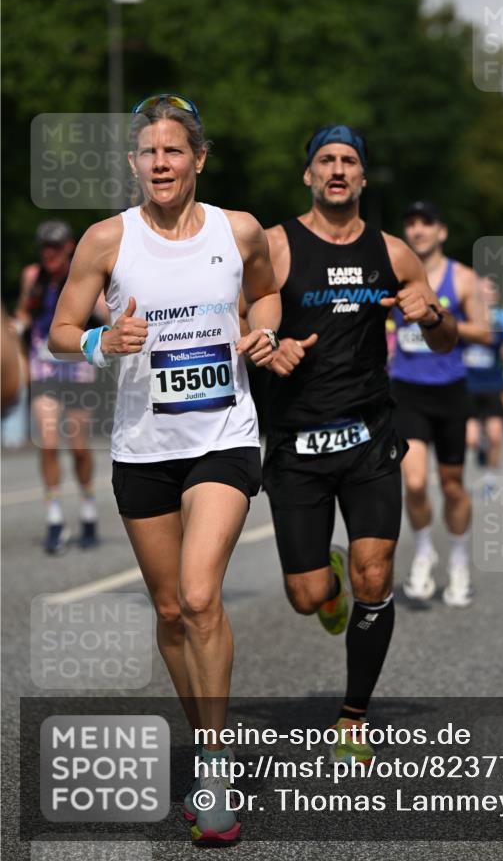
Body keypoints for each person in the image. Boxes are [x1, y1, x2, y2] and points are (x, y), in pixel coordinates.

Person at [48, 94, 280, 844]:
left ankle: (213, 772)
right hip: (143, 446)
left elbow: (268, 292)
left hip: (223, 434)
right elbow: (58, 330)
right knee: (172, 613)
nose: (160, 164)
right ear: (133, 163)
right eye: (148, 153)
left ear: (198, 159)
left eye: (174, 151)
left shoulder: (235, 229)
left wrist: (263, 331)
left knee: (200, 593)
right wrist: (97, 343)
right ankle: (209, 740)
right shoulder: (105, 240)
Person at [262, 126, 456, 763]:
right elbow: (237, 322)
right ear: (308, 176)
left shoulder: (395, 253)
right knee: (306, 596)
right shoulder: (274, 246)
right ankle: (329, 581)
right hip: (296, 441)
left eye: (349, 161)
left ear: (363, 179)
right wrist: (270, 347)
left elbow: (447, 338)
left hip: (370, 437)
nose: (338, 170)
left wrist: (432, 315)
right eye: (326, 161)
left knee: (377, 576)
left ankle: (353, 714)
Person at [388, 201, 489, 607]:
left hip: (449, 389)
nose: (418, 231)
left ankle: (460, 560)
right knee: (413, 482)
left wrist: (437, 318)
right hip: (406, 388)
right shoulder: (393, 276)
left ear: (441, 231)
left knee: (451, 485)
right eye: (411, 223)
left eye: (426, 223)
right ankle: (426, 551)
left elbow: (484, 332)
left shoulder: (463, 278)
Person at [15, 220, 109, 553]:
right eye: (45, 247)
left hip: (76, 367)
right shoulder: (32, 276)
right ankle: (54, 518)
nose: (49, 253)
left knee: (79, 447)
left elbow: (104, 312)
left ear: (68, 247)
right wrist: (15, 327)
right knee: (48, 442)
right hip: (43, 367)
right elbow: (24, 314)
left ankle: (87, 509)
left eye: (55, 246)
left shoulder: (83, 275)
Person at [463, 277, 503, 495]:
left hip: (494, 384)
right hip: (468, 385)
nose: (485, 294)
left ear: (496, 295)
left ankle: (489, 479)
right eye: (482, 290)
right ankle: (480, 447)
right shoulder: (464, 314)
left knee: (496, 435)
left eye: (490, 290)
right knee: (470, 439)